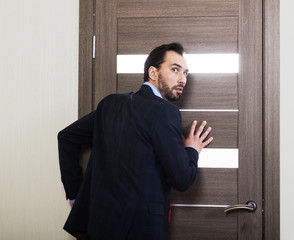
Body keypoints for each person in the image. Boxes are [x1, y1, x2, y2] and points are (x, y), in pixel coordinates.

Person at [58, 42, 213, 240]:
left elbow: (66, 137)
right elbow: (182, 179)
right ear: (153, 72)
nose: (182, 79)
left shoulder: (110, 104)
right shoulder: (166, 112)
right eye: (175, 70)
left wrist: (75, 196)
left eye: (186, 73)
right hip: (142, 230)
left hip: (99, 226)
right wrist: (192, 149)